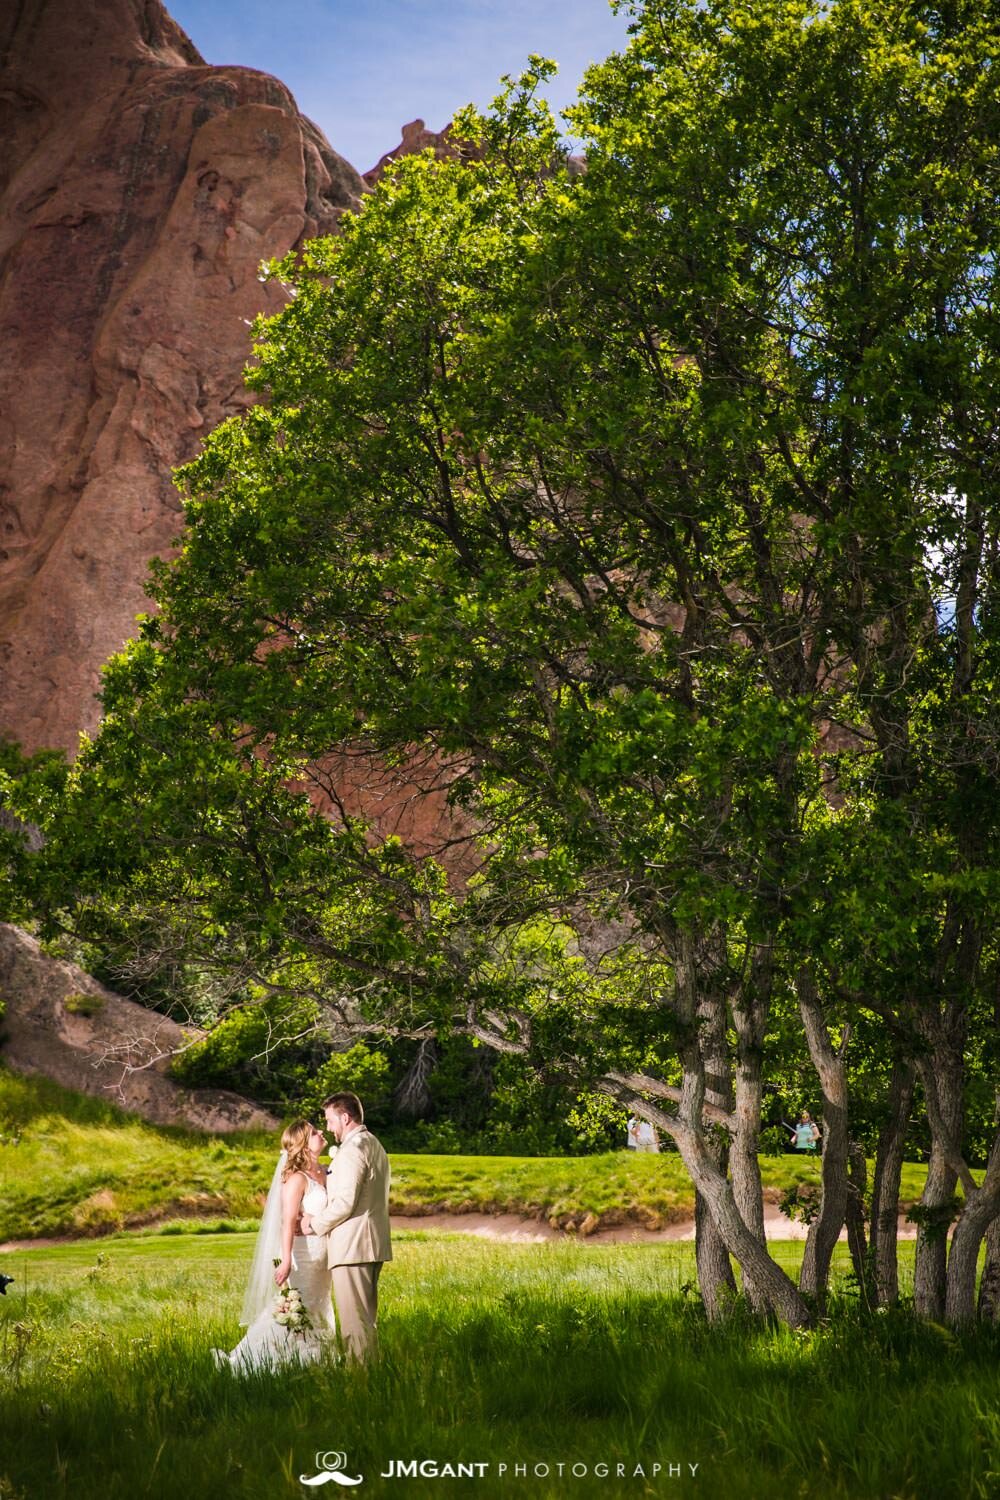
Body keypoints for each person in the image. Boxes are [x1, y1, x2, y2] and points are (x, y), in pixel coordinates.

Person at [214, 1119, 336, 1373]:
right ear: (304, 1144)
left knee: (319, 1305)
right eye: (315, 1132)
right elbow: (287, 1221)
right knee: (299, 1307)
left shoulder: (326, 1171)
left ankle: (319, 1357)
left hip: (323, 1257)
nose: (321, 1132)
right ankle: (269, 1358)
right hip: (303, 1256)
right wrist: (287, 1260)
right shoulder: (296, 1179)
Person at [300, 1091, 392, 1362]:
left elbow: (345, 1203)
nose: (328, 1128)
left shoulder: (353, 1150)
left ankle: (359, 1385)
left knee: (355, 1327)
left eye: (329, 1120)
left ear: (345, 1117)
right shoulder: (373, 1144)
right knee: (364, 1322)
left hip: (353, 1247)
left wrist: (313, 1225)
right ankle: (370, 1378)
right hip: (369, 1243)